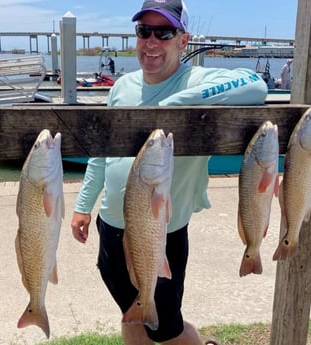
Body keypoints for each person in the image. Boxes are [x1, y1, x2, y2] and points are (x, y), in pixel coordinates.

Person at [71, 1, 268, 344]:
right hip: (112, 227)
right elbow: (102, 153)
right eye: (144, 31)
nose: (151, 41)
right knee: (132, 314)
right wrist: (83, 205)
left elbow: (256, 85)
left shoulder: (197, 78)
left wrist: (178, 103)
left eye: (163, 33)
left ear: (183, 40)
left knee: (168, 330)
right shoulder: (121, 87)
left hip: (163, 235)